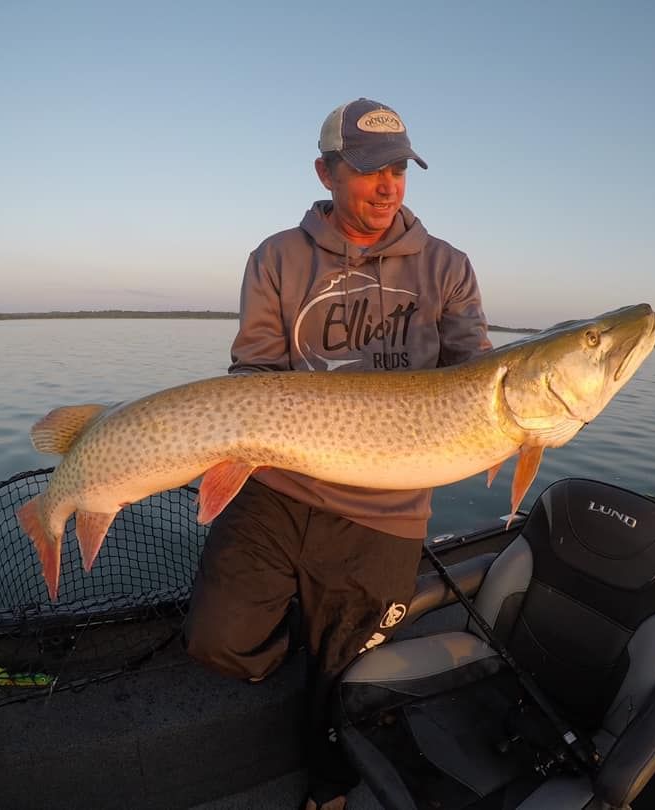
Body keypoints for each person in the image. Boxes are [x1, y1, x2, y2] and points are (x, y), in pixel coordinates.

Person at [183, 97, 493, 810]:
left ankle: (332, 781)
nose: (388, 185)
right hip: (283, 488)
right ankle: (296, 630)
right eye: (367, 169)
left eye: (400, 170)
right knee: (215, 643)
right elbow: (253, 376)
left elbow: (474, 373)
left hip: (385, 511)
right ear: (325, 171)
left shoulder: (447, 268)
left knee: (351, 685)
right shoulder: (277, 258)